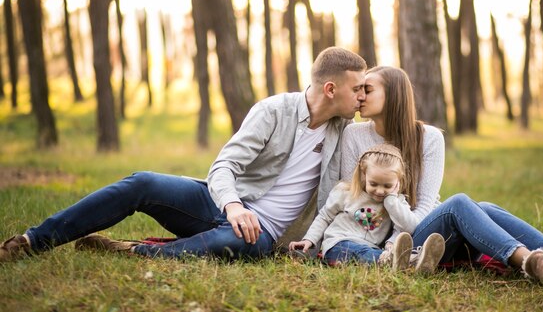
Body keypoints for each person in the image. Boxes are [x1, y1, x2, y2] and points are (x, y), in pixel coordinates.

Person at [0, 47, 367, 261]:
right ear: (331, 88)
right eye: (356, 90)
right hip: (220, 204)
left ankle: (133, 250)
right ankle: (33, 241)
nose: (361, 97)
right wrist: (234, 206)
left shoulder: (346, 132)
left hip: (263, 233)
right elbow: (225, 165)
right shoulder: (274, 111)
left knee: (233, 243)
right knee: (142, 182)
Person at [340, 66, 543, 287]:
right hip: (394, 245)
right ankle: (531, 262)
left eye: (368, 89)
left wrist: (433, 220)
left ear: (394, 95)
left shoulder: (429, 138)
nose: (360, 96)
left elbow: (424, 206)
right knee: (458, 204)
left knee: (483, 208)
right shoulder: (354, 135)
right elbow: (353, 200)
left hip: (427, 233)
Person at [289, 143, 445, 273]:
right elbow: (324, 216)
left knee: (368, 254)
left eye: (387, 186)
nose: (380, 191)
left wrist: (391, 202)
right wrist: (309, 239)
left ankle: (406, 263)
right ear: (364, 175)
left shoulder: (397, 203)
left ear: (398, 181)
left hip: (371, 249)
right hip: (338, 244)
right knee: (360, 252)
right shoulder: (346, 192)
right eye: (374, 184)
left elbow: (406, 227)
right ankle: (408, 261)